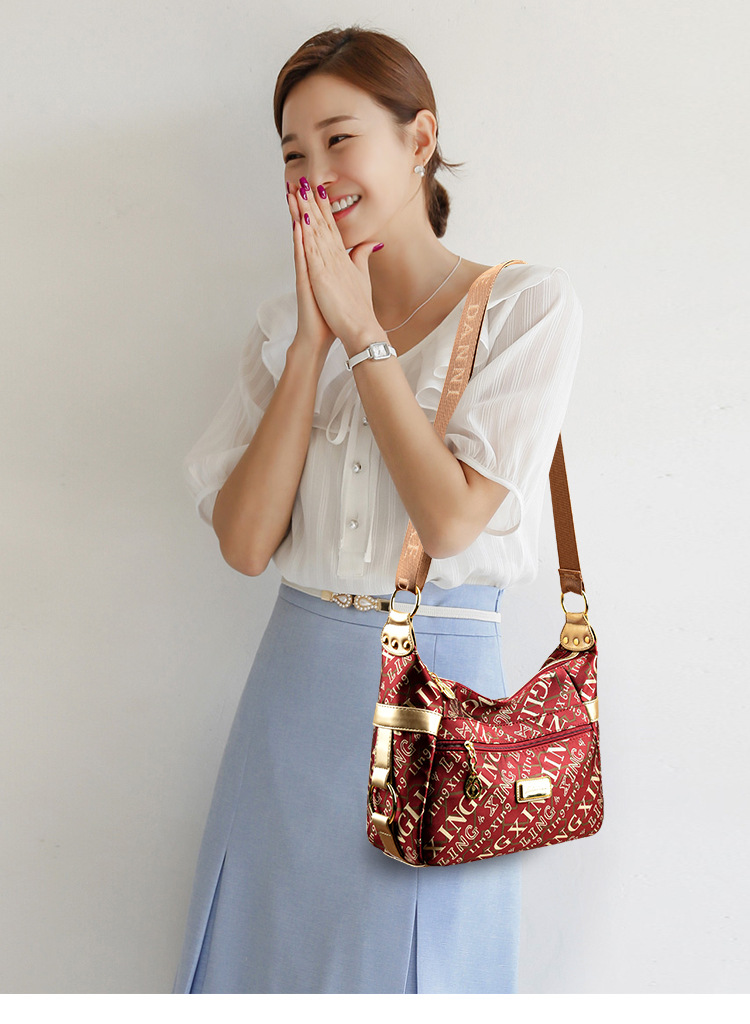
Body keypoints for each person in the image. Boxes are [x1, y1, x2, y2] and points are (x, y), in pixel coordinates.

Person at [173, 25, 583, 994]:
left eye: (339, 138)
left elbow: (450, 523)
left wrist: (363, 335)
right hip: (291, 695)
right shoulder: (284, 326)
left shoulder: (525, 307)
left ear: (420, 138)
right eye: (293, 154)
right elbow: (244, 544)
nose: (315, 175)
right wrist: (314, 341)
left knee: (420, 971)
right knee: (260, 962)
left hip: (440, 698)